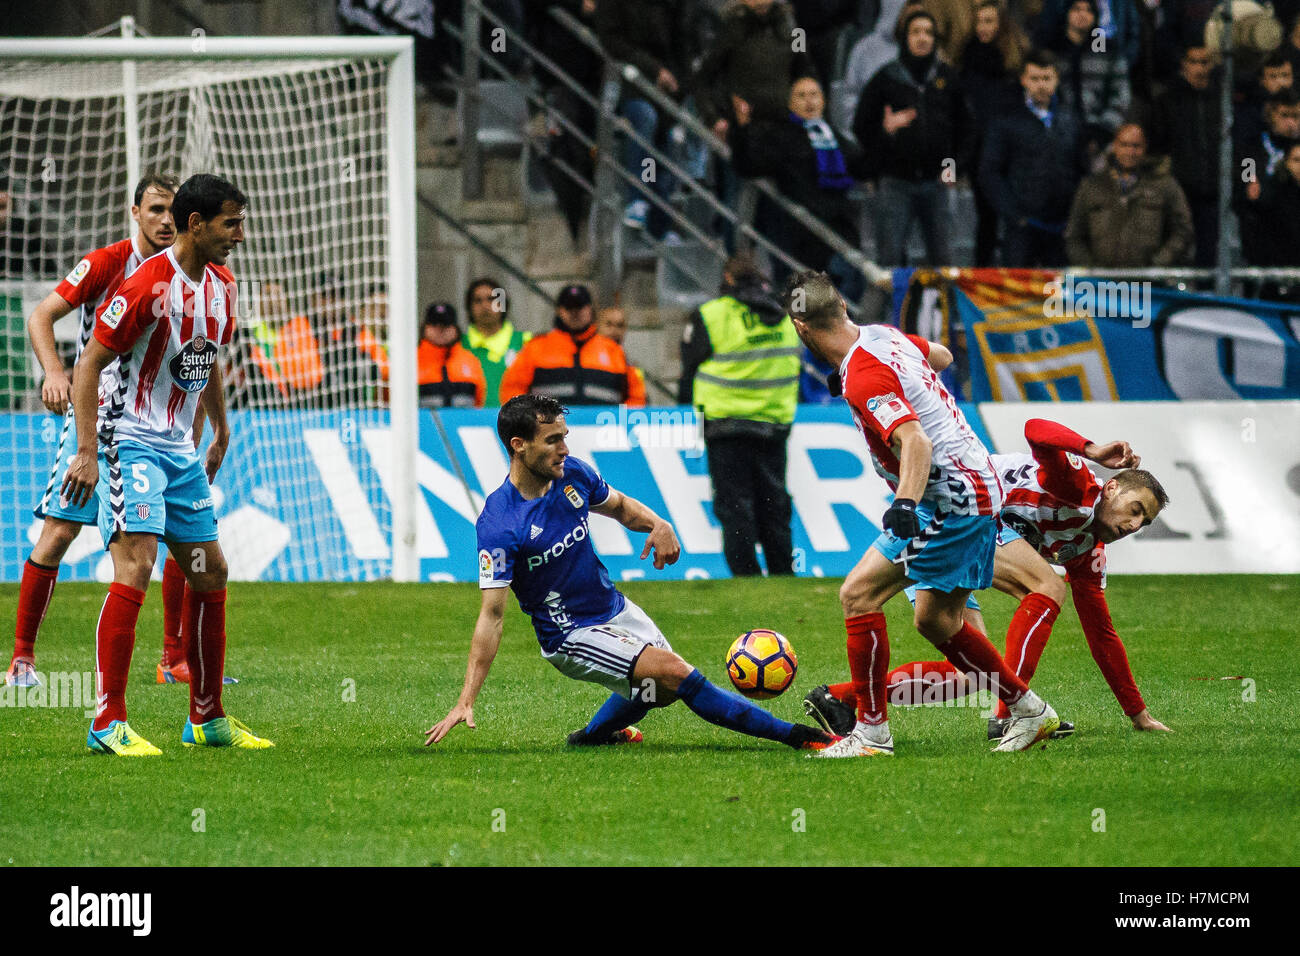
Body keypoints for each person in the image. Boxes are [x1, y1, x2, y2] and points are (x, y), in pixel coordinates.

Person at [423, 394, 836, 751]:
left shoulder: (574, 475)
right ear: (519, 446)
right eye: (552, 440)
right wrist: (466, 699)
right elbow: (491, 616)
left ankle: (590, 737)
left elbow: (620, 507)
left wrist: (658, 524)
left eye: (564, 436)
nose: (564, 448)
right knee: (677, 674)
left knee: (657, 693)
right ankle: (803, 738)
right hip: (571, 634)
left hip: (613, 607)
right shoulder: (499, 524)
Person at [781, 269, 1061, 757]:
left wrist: (904, 504)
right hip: (976, 483)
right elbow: (941, 356)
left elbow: (915, 439)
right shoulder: (884, 337)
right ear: (843, 307)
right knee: (937, 621)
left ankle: (871, 735)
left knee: (858, 595)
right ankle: (1029, 711)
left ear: (801, 329)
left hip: (948, 500)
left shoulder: (864, 376)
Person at [62, 173, 271, 755]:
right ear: (197, 223)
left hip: (179, 447)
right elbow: (89, 363)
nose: (240, 235)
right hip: (127, 438)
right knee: (137, 562)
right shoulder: (147, 283)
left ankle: (206, 719)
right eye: (231, 222)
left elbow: (201, 360)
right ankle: (107, 722)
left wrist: (222, 428)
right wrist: (86, 451)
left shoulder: (223, 286)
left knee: (210, 570)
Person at [805, 417, 1174, 741]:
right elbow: (1035, 429)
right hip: (954, 516)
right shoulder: (1076, 487)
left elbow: (1102, 635)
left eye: (1145, 521)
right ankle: (1014, 714)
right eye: (1135, 509)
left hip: (962, 537)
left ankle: (839, 697)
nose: (1135, 525)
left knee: (973, 673)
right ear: (1112, 489)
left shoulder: (1087, 551)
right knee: (1047, 586)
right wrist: (1091, 449)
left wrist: (1138, 714)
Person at [5, 174, 215, 689]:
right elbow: (42, 315)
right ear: (135, 212)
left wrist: (205, 424)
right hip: (95, 423)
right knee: (58, 533)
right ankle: (22, 662)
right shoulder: (106, 264)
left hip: (159, 429)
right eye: (156, 209)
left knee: (183, 545)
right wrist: (55, 372)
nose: (165, 220)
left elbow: (198, 355)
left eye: (172, 211)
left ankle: (173, 659)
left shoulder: (195, 274)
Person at [679, 254, 800, 577]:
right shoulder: (786, 315)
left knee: (735, 508)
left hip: (725, 425)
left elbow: (689, 368)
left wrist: (685, 413)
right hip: (774, 423)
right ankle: (782, 574)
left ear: (728, 279)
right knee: (774, 504)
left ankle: (745, 577)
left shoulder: (712, 314)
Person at [853, 7, 971, 267]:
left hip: (937, 184)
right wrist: (886, 132)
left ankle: (945, 309)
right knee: (890, 260)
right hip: (895, 183)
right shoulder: (885, 79)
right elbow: (861, 128)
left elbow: (968, 130)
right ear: (904, 37)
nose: (922, 38)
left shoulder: (948, 79)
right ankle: (892, 310)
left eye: (928, 33)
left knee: (944, 261)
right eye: (916, 32)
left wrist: (954, 166)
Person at [729, 77, 866, 275]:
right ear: (790, 104)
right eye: (801, 96)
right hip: (800, 234)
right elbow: (748, 166)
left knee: (850, 280)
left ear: (823, 101)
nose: (809, 102)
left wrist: (887, 135)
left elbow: (862, 166)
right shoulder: (781, 136)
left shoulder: (833, 136)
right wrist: (742, 129)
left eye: (814, 95)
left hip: (838, 227)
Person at [595, 0, 701, 240]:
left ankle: (660, 227)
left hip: (669, 85)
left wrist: (682, 83)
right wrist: (654, 69)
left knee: (663, 152)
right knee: (645, 120)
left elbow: (684, 41)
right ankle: (637, 199)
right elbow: (612, 41)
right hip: (631, 82)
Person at [980, 48, 1088, 267]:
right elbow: (989, 172)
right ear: (1023, 80)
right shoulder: (1005, 121)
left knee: (1059, 297)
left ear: (1057, 79)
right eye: (1035, 78)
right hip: (1022, 227)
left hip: (1062, 226)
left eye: (1047, 78)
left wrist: (1075, 216)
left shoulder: (1071, 120)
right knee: (1017, 295)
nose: (1041, 85)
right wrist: (1014, 216)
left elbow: (1081, 170)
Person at [1064, 122, 1195, 267]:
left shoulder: (1165, 186)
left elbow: (1183, 231)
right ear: (1114, 146)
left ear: (1145, 148)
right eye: (1124, 145)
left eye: (1136, 146)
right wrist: (1090, 269)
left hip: (1148, 284)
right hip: (1100, 283)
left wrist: (1159, 262)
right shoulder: (1091, 186)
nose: (1130, 152)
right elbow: (1074, 236)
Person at [959, 0, 1029, 266]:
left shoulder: (1015, 63)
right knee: (985, 218)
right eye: (979, 22)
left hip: (1012, 150)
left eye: (989, 21)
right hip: (980, 151)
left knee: (1013, 216)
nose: (983, 28)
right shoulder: (965, 58)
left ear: (1001, 25)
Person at [499, 284, 645, 406]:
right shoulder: (536, 348)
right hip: (549, 433)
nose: (575, 312)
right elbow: (512, 390)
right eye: (569, 307)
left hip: (602, 434)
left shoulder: (613, 350)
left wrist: (622, 425)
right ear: (559, 311)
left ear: (590, 309)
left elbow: (636, 396)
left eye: (580, 307)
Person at [1147, 45, 1222, 268]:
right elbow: (1158, 143)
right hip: (1177, 189)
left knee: (1208, 251)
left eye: (1205, 62)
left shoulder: (1221, 100)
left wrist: (1244, 177)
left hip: (1212, 190)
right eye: (1194, 62)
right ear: (1184, 65)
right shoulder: (1167, 100)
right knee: (1174, 246)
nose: (1200, 68)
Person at [1047, 0, 1131, 159]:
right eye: (1076, 9)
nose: (1082, 14)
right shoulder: (1053, 49)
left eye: (1088, 10)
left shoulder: (1107, 48)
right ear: (1066, 13)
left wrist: (1104, 131)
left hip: (1100, 134)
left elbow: (1121, 95)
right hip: (1058, 134)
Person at [461, 277, 530, 407]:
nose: (485, 306)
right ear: (469, 308)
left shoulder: (526, 342)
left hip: (518, 423)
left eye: (492, 299)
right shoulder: (458, 346)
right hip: (471, 423)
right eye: (478, 301)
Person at [418, 302, 486, 408]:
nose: (440, 330)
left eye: (446, 325)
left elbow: (478, 401)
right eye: (434, 324)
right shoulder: (411, 361)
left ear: (456, 329)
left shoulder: (470, 360)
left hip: (462, 423)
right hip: (422, 424)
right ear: (424, 328)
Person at [597, 304, 646, 399]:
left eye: (620, 326)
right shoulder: (588, 359)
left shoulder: (631, 365)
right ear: (597, 326)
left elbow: (639, 398)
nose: (614, 331)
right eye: (609, 324)